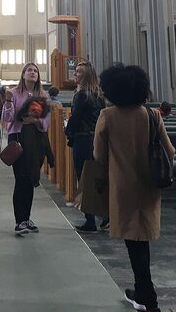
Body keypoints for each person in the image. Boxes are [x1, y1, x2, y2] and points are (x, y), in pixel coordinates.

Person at [94, 63, 175, 312]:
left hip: (123, 187)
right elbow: (170, 151)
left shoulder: (108, 116)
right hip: (148, 185)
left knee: (134, 241)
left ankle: (147, 296)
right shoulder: (151, 115)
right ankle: (143, 292)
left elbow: (99, 155)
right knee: (141, 240)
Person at [1, 62, 51, 236]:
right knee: (21, 178)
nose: (33, 72)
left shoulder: (42, 94)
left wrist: (36, 121)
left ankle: (27, 218)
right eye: (29, 70)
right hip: (18, 139)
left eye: (35, 70)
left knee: (30, 179)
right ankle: (19, 220)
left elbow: (46, 123)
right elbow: (7, 118)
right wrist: (8, 101)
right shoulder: (14, 93)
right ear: (23, 75)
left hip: (36, 141)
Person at [65, 60, 106, 233]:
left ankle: (90, 220)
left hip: (83, 139)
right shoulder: (98, 95)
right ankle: (105, 217)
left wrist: (68, 130)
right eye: (75, 71)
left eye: (79, 72)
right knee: (95, 178)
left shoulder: (81, 95)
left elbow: (76, 118)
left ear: (87, 75)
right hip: (95, 139)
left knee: (83, 179)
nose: (75, 74)